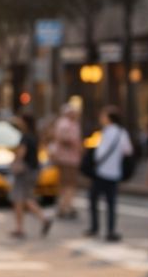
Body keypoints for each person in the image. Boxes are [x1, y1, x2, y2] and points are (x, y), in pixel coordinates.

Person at [85, 106, 133, 242]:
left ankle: (95, 227)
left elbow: (98, 151)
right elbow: (128, 151)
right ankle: (110, 230)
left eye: (103, 116)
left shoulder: (106, 132)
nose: (101, 118)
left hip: (101, 171)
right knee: (111, 203)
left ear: (109, 118)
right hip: (114, 172)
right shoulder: (121, 133)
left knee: (94, 200)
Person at [9, 113, 52, 238]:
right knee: (27, 198)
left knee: (18, 199)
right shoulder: (35, 136)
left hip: (24, 171)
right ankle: (43, 219)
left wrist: (14, 162)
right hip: (34, 170)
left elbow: (22, 152)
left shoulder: (25, 137)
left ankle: (19, 228)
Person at [49, 102, 82, 218]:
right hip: (68, 158)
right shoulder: (65, 124)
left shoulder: (68, 123)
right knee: (69, 183)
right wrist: (75, 145)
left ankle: (65, 205)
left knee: (65, 184)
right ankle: (65, 206)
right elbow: (64, 139)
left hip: (67, 158)